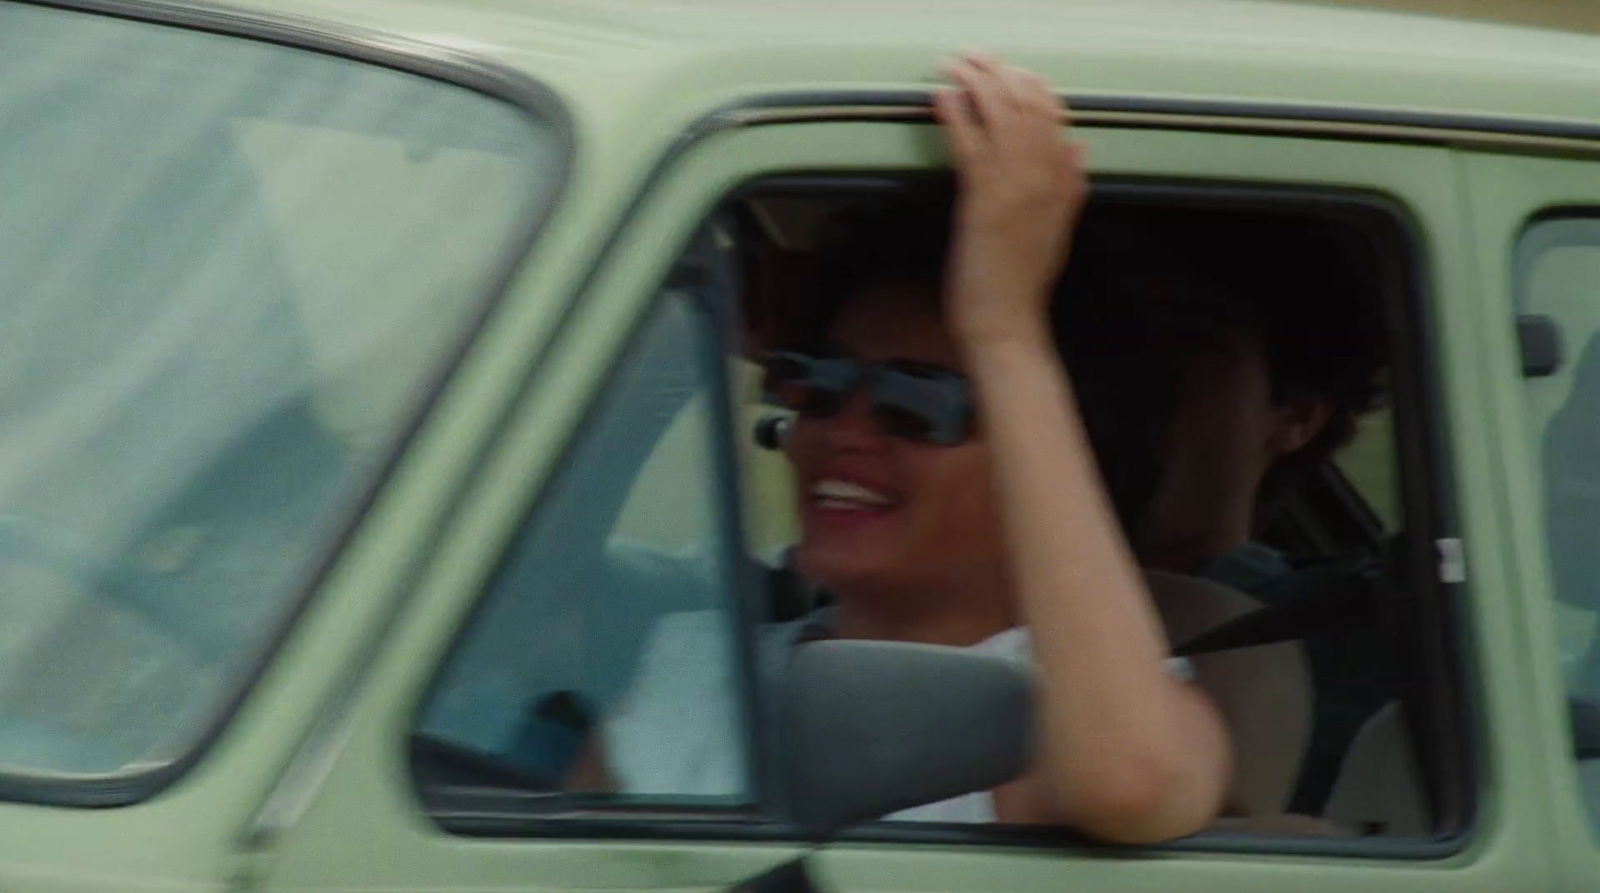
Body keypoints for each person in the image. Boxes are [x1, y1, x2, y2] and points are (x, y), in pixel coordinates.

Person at [570, 54, 1232, 845]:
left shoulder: (1070, 713)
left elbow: (1135, 784)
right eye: (816, 379)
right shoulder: (698, 662)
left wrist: (1005, 332)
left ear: (1046, 449)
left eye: (917, 402)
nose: (844, 429)